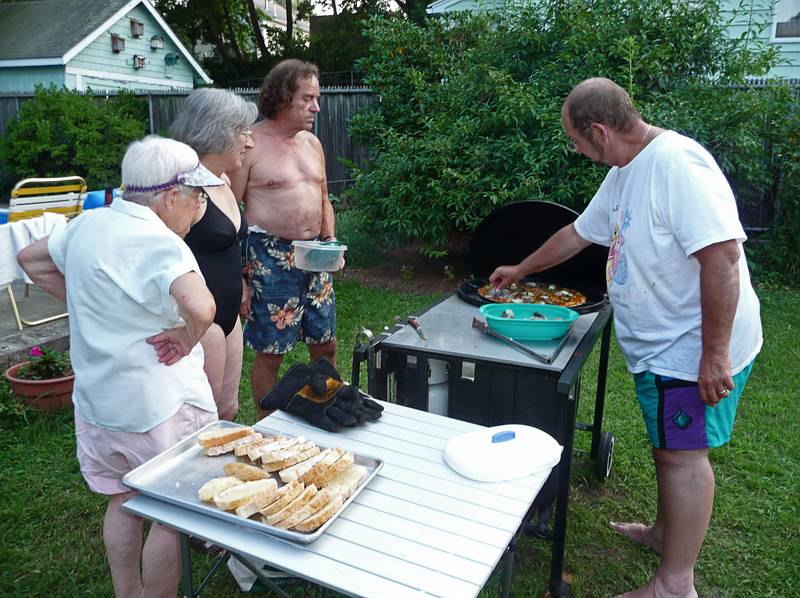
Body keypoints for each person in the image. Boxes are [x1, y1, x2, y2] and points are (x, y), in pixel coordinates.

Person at [490, 78, 762, 598]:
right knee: (669, 447)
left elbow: (723, 258)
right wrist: (521, 268)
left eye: (576, 140)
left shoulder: (678, 166)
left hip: (688, 349)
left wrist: (713, 354)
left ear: (599, 130)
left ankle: (674, 585)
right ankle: (665, 534)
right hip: (663, 348)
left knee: (684, 456)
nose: (575, 150)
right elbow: (578, 233)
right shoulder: (625, 170)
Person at [18, 136, 223, 598]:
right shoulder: (162, 243)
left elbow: (30, 258)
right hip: (158, 406)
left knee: (122, 499)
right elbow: (203, 308)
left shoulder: (87, 225)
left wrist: (90, 303)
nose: (200, 208)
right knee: (171, 513)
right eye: (198, 197)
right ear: (172, 196)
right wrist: (187, 338)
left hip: (99, 403)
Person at [229, 59, 339, 420]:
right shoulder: (249, 146)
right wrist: (240, 279)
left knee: (325, 344)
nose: (316, 107)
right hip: (269, 258)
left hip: (316, 256)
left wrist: (331, 240)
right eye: (308, 98)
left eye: (316, 98)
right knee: (271, 351)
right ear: (282, 97)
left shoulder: (312, 143)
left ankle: (325, 409)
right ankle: (268, 427)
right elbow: (230, 213)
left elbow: (323, 199)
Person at [170, 88, 257, 421]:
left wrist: (241, 284)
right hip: (199, 320)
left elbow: (227, 246)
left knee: (228, 409)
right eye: (243, 133)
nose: (249, 142)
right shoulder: (183, 189)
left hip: (229, 315)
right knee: (200, 420)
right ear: (217, 132)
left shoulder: (221, 179)